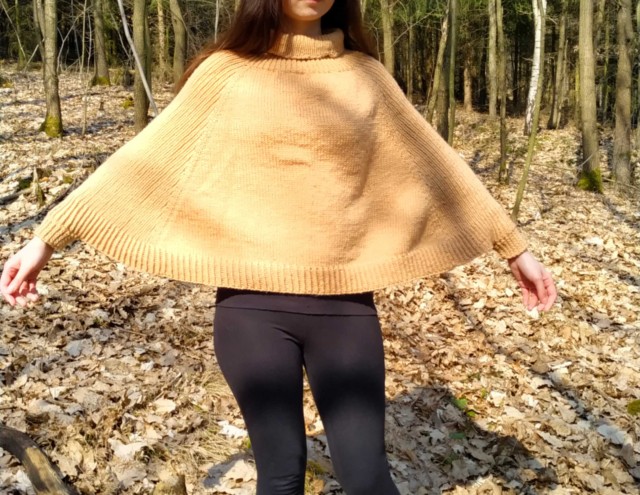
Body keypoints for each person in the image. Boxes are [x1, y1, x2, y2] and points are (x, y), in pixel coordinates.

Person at [1, 0, 557, 493]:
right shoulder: (226, 73)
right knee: (282, 474)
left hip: (345, 308)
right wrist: (47, 239)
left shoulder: (366, 76)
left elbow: (437, 164)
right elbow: (142, 161)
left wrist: (514, 248)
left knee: (365, 476)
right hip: (252, 313)